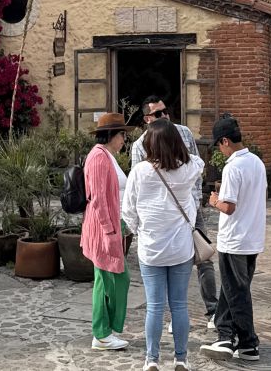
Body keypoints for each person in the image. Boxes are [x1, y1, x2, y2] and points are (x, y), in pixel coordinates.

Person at [129, 94, 217, 330]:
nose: (165, 116)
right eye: (158, 114)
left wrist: (196, 201)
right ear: (148, 118)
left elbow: (196, 167)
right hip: (161, 218)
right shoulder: (139, 147)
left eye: (166, 111)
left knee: (203, 257)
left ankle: (213, 311)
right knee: (168, 267)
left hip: (188, 210)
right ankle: (175, 316)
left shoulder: (184, 132)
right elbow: (137, 189)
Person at [123, 119, 205, 371]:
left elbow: (128, 211)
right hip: (180, 247)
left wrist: (141, 231)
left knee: (155, 307)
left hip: (151, 248)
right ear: (176, 141)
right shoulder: (189, 168)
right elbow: (198, 161)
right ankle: (181, 358)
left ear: (149, 143)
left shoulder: (140, 172)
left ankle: (152, 359)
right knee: (179, 305)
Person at [201, 115, 266, 363]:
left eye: (218, 144)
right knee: (232, 290)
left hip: (234, 239)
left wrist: (213, 200)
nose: (219, 149)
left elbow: (228, 206)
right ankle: (225, 335)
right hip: (253, 237)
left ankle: (249, 343)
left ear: (225, 141)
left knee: (237, 292)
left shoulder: (233, 167)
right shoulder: (257, 162)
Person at [81, 112, 133, 351]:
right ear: (112, 135)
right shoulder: (99, 158)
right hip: (105, 228)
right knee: (107, 280)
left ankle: (105, 330)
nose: (125, 139)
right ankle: (101, 334)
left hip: (112, 226)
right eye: (123, 134)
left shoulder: (106, 156)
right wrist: (110, 231)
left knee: (114, 278)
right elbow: (100, 199)